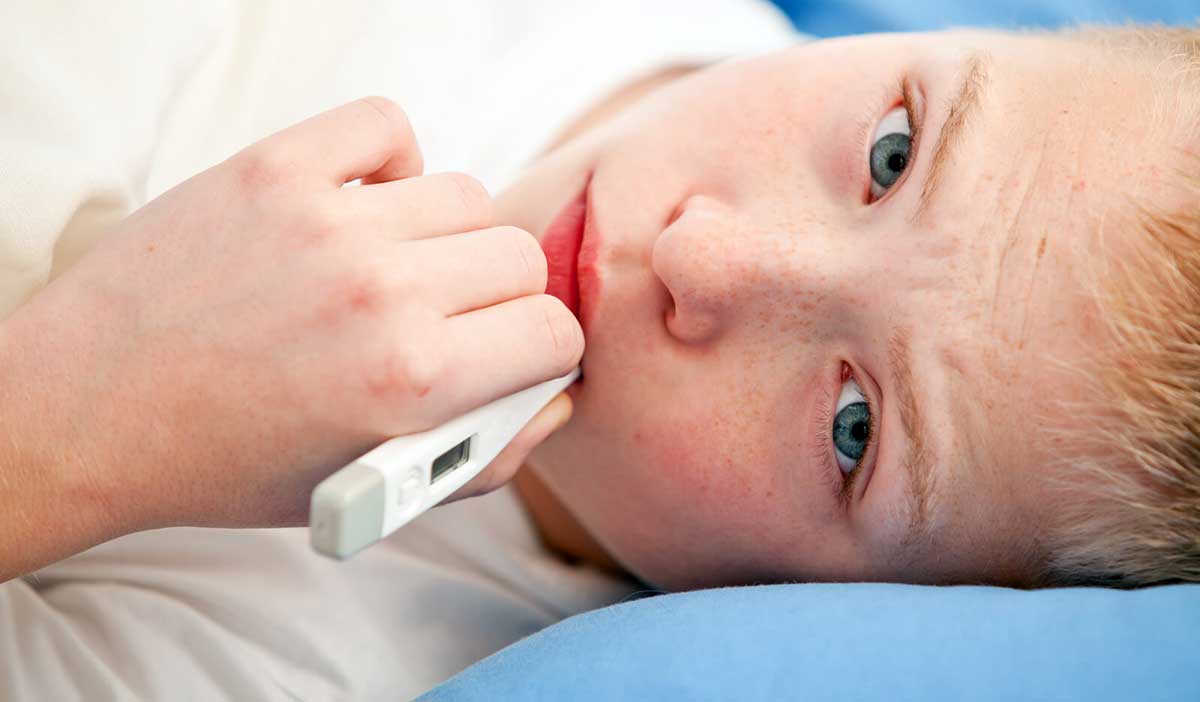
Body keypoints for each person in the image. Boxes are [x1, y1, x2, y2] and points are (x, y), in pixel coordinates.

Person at [1, 0, 1197, 698]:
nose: (708, 260)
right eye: (893, 153)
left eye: (853, 432)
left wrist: (90, 419)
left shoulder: (312, 667)